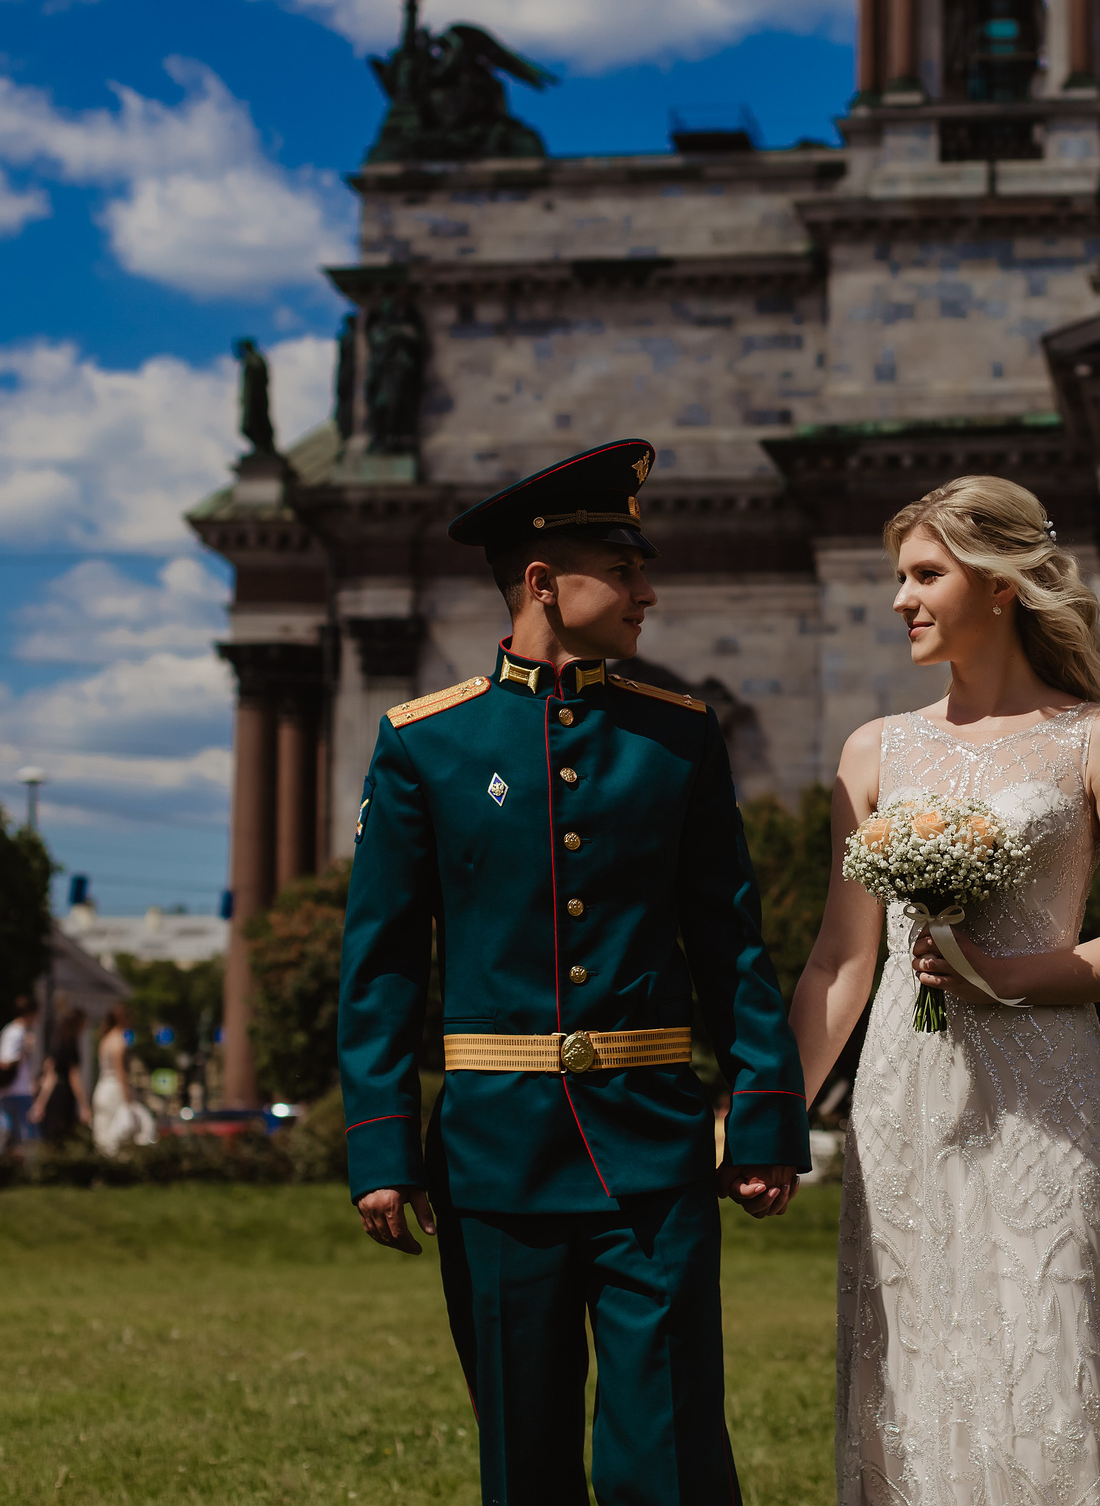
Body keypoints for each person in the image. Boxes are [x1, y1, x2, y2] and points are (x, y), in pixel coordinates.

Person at [340, 438, 809, 1506]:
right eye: (625, 565)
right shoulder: (428, 746)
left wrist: (766, 1117)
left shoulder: (678, 740)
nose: (650, 589)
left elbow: (733, 941)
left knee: (673, 1452)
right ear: (545, 582)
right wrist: (380, 1144)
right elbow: (379, 963)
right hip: (492, 1153)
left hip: (652, 1145)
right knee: (524, 1454)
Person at [789, 474, 1100, 1504]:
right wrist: (769, 1114)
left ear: (1001, 584)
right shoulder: (874, 751)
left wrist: (1007, 978)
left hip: (1044, 1090)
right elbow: (841, 958)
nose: (901, 600)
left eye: (926, 574)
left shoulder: (1099, 738)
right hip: (907, 1094)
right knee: (915, 1360)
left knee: (1054, 1354)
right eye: (898, 578)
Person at [91, 1005, 153, 1155]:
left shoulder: (105, 1039)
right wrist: (128, 1099)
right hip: (114, 1090)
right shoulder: (119, 1041)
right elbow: (121, 1072)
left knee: (103, 1133)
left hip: (102, 1087)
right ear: (123, 1018)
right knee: (117, 1133)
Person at [30, 1009, 87, 1147]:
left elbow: (49, 1075)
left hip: (54, 1095)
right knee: (64, 1137)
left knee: (51, 1137)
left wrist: (40, 1102)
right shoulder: (71, 1044)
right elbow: (74, 1077)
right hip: (64, 1095)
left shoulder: (56, 1043)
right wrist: (85, 1105)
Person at [0, 998, 36, 1157]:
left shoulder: (14, 1031)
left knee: (9, 1133)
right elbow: (5, 1062)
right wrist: (25, 1050)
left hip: (15, 1089)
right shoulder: (16, 1032)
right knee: (20, 1133)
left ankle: (5, 1168)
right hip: (15, 1090)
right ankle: (1, 1166)